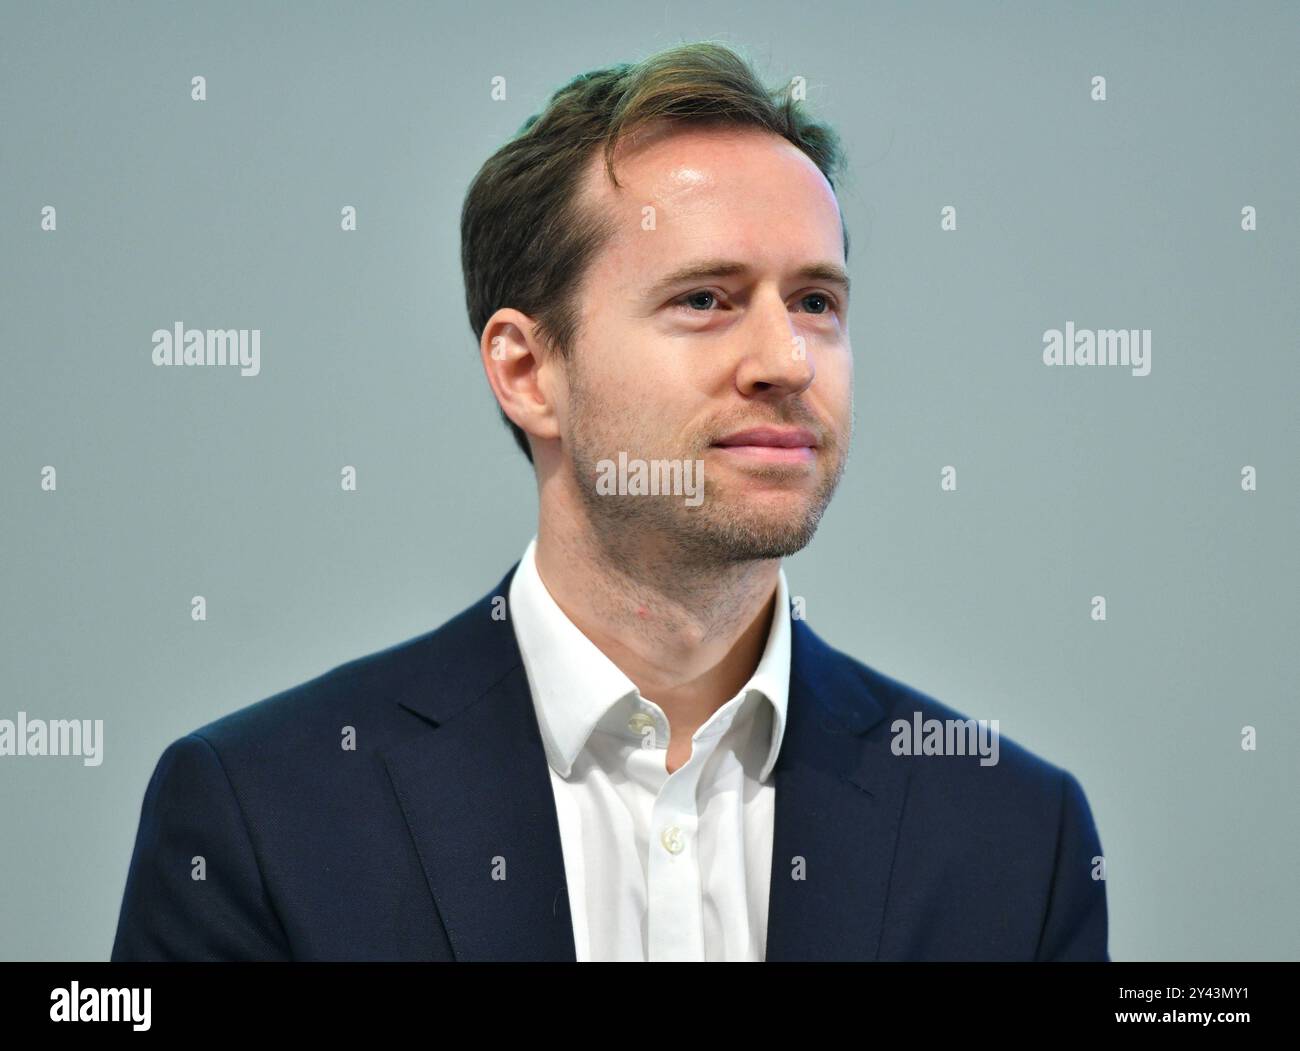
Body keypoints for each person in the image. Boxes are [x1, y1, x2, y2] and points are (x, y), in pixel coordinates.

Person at [112, 41, 1107, 962]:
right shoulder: (266, 811)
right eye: (705, 299)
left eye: (815, 301)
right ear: (527, 368)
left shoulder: (1013, 834)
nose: (786, 361)